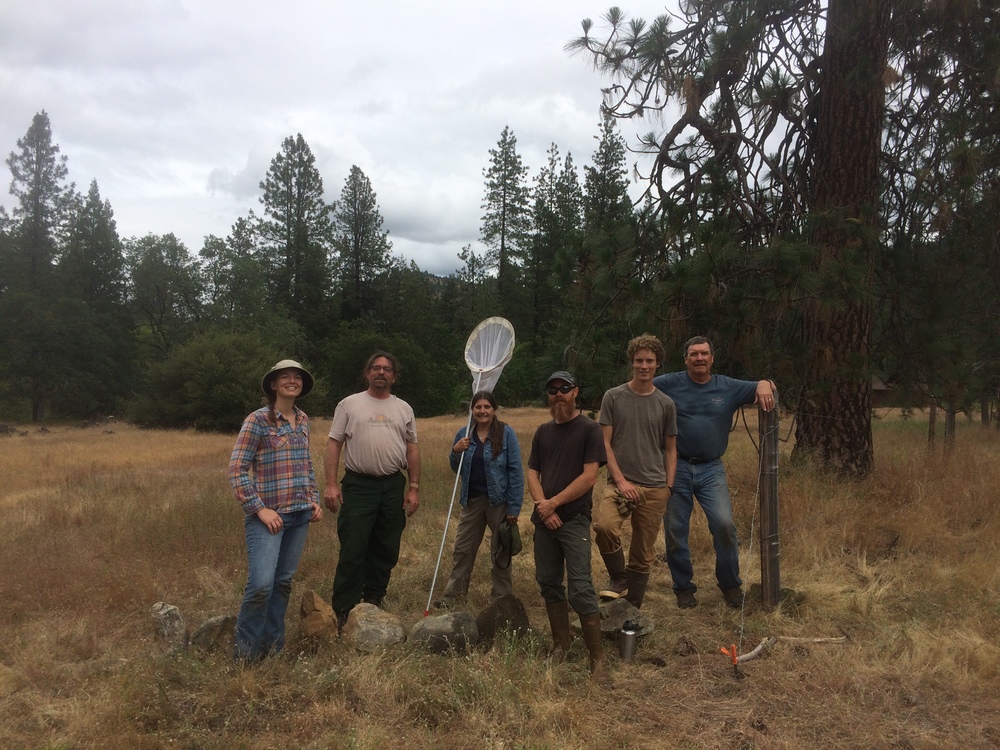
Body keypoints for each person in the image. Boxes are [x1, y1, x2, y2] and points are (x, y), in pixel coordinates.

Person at [652, 336, 777, 609]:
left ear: (712, 358)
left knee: (724, 525)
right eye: (694, 354)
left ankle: (730, 585)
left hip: (711, 469)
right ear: (685, 359)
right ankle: (683, 588)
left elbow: (761, 385)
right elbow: (638, 387)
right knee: (675, 531)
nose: (699, 358)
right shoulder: (669, 383)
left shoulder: (727, 386)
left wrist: (766, 384)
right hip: (677, 466)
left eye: (704, 353)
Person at [229, 359, 323, 662]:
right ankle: (244, 656)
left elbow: (305, 464)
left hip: (299, 515)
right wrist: (259, 510)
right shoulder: (257, 420)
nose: (292, 381)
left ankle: (273, 649)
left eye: (297, 377)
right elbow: (237, 469)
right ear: (273, 384)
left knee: (282, 583)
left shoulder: (303, 419)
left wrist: (314, 498)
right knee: (260, 586)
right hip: (268, 518)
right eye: (285, 377)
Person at [324, 351, 420, 631]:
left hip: (392, 485)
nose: (381, 372)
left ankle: (375, 598)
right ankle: (344, 608)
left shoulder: (404, 408)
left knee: (386, 545)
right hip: (358, 484)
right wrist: (331, 484)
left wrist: (413, 487)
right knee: (353, 545)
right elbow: (334, 444)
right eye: (376, 368)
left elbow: (412, 448)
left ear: (394, 376)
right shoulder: (349, 404)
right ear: (367, 373)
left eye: (387, 369)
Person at [528, 371, 611, 687]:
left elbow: (590, 476)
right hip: (544, 520)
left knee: (580, 586)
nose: (558, 394)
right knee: (548, 582)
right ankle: (561, 645)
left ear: (576, 392)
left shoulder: (589, 429)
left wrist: (554, 503)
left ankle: (597, 660)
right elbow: (533, 473)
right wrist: (542, 506)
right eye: (552, 389)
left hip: (573, 518)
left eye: (564, 388)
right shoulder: (543, 431)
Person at [593, 334, 677, 609]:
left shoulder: (666, 403)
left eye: (649, 361)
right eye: (639, 360)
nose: (644, 366)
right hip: (620, 483)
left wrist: (668, 487)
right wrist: (620, 480)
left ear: (658, 364)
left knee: (643, 551)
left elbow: (670, 449)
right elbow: (604, 443)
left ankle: (632, 608)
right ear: (632, 363)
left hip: (654, 486)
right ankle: (619, 578)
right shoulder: (614, 397)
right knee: (605, 526)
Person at [442, 390, 525, 603]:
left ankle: (501, 598)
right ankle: (454, 596)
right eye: (478, 407)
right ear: (472, 410)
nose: (482, 411)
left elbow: (515, 471)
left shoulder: (506, 433)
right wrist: (455, 450)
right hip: (472, 500)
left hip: (499, 501)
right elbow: (456, 468)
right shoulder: (464, 433)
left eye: (487, 407)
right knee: (463, 548)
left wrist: (514, 508)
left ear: (494, 409)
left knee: (500, 550)